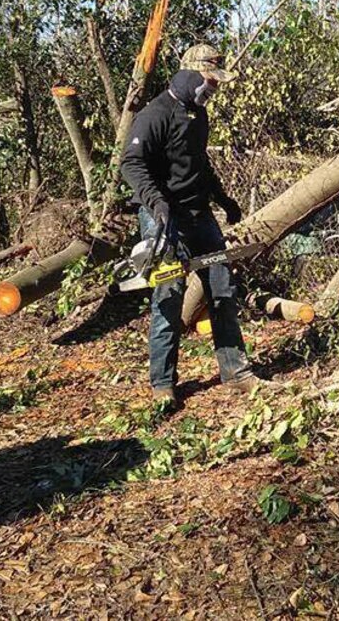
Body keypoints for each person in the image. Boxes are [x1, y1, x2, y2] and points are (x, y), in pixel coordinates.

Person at [121, 43, 265, 405]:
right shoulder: (156, 114)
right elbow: (132, 164)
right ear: (189, 74)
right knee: (168, 296)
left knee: (222, 289)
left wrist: (223, 200)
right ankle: (163, 385)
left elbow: (200, 164)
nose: (213, 88)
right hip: (163, 217)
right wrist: (157, 205)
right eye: (209, 81)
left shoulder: (198, 116)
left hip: (200, 216)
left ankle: (236, 373)